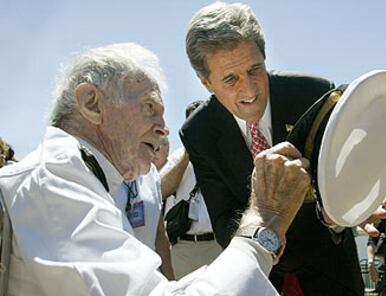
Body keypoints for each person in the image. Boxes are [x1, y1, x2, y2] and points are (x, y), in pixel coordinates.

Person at [0, 42, 313, 295]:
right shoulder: (52, 182)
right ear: (92, 103)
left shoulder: (118, 176)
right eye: (149, 107)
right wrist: (264, 220)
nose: (164, 129)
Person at [180, 2, 364, 294]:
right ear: (206, 83)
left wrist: (341, 212)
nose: (250, 90)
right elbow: (224, 219)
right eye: (230, 79)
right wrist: (268, 244)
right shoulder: (198, 132)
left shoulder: (313, 93)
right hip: (266, 278)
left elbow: (346, 176)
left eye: (255, 69)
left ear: (265, 57)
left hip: (332, 268)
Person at [161, 100, 222, 279]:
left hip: (218, 245)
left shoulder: (224, 154)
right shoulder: (178, 157)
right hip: (184, 247)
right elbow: (161, 190)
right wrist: (188, 154)